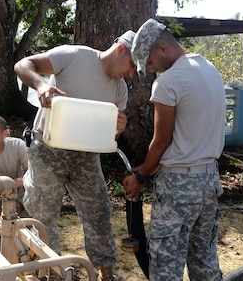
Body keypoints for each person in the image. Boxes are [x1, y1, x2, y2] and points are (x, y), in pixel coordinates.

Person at [14, 30, 136, 281]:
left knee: (99, 211)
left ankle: (106, 272)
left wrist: (117, 128)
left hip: (86, 156)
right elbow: (22, 64)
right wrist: (41, 84)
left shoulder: (120, 89)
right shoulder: (74, 56)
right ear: (121, 50)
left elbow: (109, 136)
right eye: (132, 65)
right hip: (48, 151)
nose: (132, 73)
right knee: (43, 214)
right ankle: (51, 272)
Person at [123, 18, 225, 281]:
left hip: (179, 184)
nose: (151, 69)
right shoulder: (209, 69)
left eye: (150, 62)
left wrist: (141, 177)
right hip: (210, 179)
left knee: (165, 261)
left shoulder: (169, 82)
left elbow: (161, 141)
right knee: (204, 257)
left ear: (163, 49)